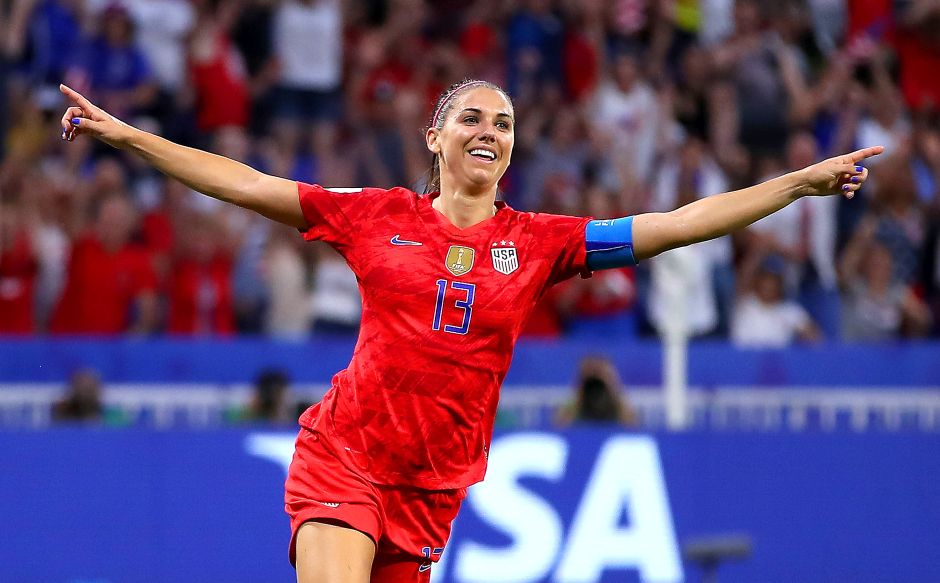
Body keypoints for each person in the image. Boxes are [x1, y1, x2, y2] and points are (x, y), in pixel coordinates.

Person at [57, 78, 881, 582]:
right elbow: (243, 182)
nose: (490, 131)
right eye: (472, 119)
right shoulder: (375, 215)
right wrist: (129, 136)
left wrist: (794, 185)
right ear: (435, 137)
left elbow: (676, 223)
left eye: (505, 124)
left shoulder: (541, 243)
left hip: (433, 488)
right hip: (349, 454)